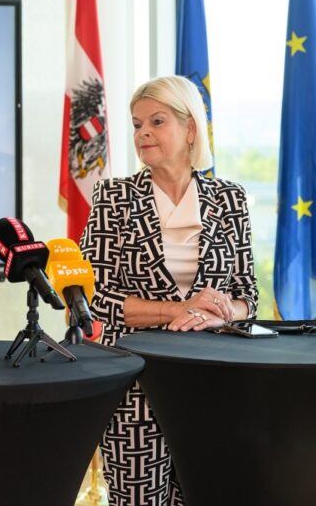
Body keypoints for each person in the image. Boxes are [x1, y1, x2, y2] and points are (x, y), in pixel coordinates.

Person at [80, 75, 258, 506]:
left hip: (213, 384)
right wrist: (180, 308)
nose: (143, 133)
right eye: (137, 123)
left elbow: (247, 294)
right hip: (136, 385)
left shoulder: (230, 199)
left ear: (190, 128)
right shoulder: (113, 198)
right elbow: (94, 300)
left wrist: (221, 313)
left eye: (157, 122)